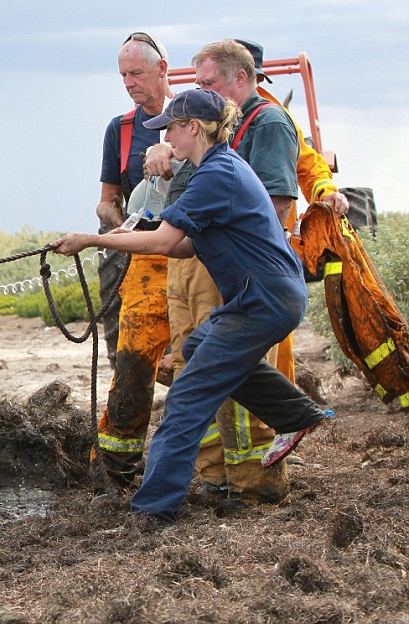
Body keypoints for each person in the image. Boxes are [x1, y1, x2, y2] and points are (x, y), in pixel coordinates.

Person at [51, 88, 330, 522]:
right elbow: (180, 248)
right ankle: (298, 414)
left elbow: (163, 240)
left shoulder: (216, 174)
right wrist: (110, 238)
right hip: (259, 295)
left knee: (185, 398)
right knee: (199, 349)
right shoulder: (213, 171)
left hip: (264, 298)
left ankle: (152, 510)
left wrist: (91, 239)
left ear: (193, 128)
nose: (165, 140)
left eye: (171, 130)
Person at [162, 39, 345, 504]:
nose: (204, 91)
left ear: (240, 79)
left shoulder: (268, 122)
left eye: (209, 83)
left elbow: (280, 199)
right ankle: (230, 463)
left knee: (217, 377)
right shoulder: (221, 137)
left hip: (249, 275)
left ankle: (254, 482)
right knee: (198, 354)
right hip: (213, 263)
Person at [92, 32, 174, 492]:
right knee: (127, 359)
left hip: (185, 253)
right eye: (123, 75)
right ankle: (118, 468)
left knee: (192, 354)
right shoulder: (120, 130)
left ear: (163, 69)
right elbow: (106, 200)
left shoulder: (196, 116)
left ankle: (198, 457)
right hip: (134, 253)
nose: (129, 83)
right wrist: (119, 225)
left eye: (136, 73)